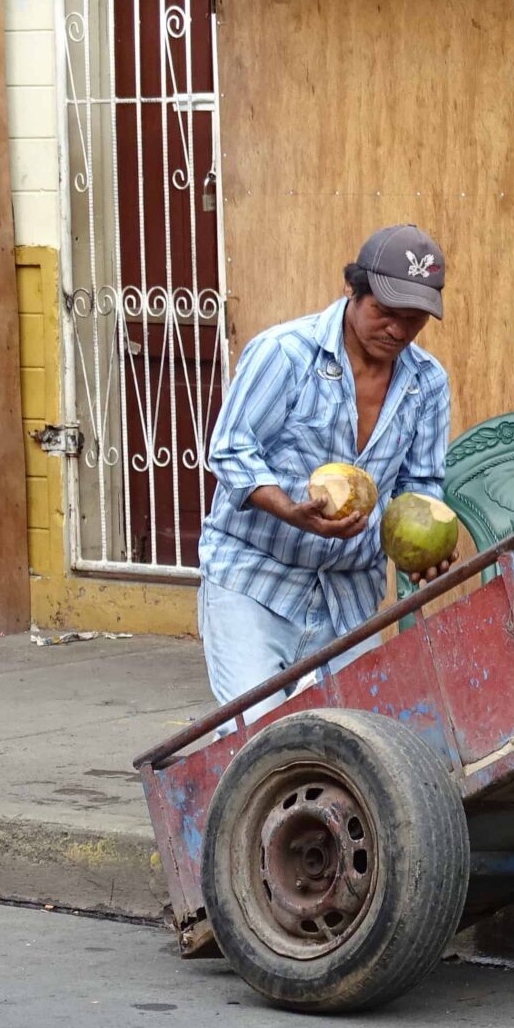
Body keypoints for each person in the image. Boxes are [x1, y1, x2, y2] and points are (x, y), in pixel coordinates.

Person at [197, 224, 455, 723]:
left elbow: (419, 486)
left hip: (349, 596)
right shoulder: (285, 354)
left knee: (359, 743)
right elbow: (230, 449)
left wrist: (421, 549)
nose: (398, 331)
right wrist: (291, 511)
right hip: (256, 579)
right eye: (385, 312)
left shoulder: (428, 383)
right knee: (260, 738)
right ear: (352, 291)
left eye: (414, 318)